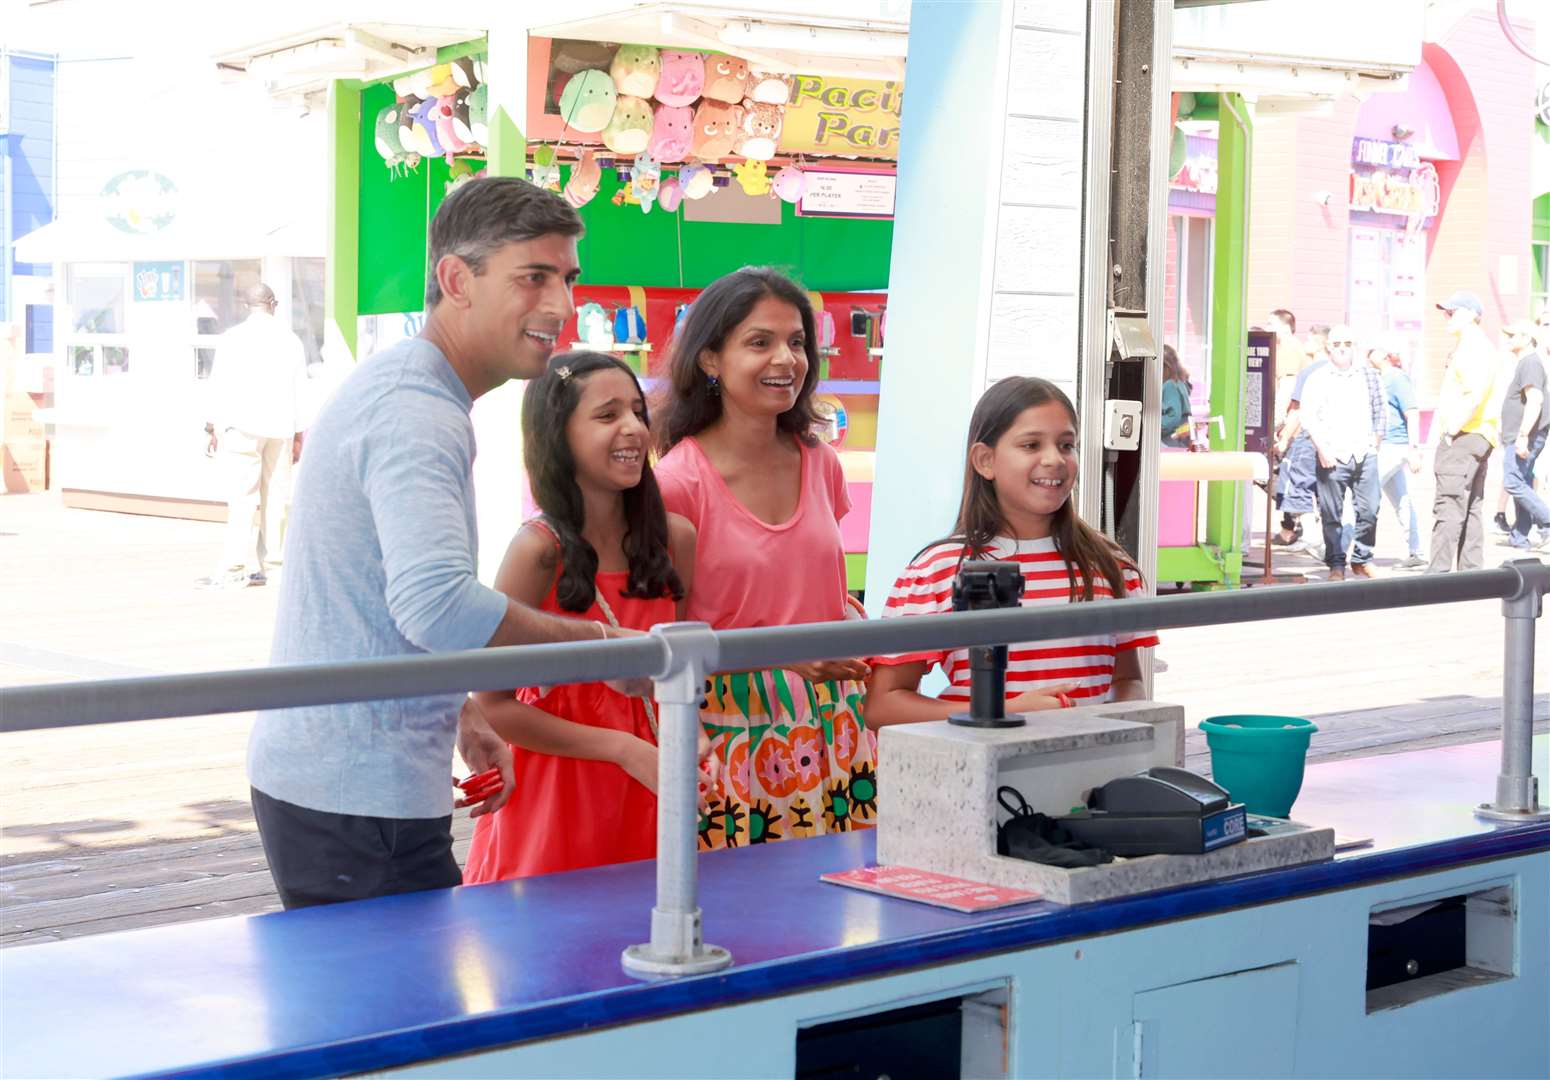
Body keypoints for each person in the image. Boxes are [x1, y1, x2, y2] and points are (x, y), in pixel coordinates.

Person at [247, 177, 629, 910]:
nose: (560, 305)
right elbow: (437, 606)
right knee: (395, 1017)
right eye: (533, 277)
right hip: (356, 796)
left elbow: (376, 597)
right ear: (456, 279)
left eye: (567, 279)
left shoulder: (409, 391)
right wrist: (601, 648)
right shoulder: (418, 410)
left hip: (340, 779)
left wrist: (459, 709)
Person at [654, 267, 876, 849]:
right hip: (730, 739)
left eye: (797, 342)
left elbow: (820, 587)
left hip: (837, 725)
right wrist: (785, 654)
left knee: (839, 906)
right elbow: (662, 646)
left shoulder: (821, 462)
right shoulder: (678, 482)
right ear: (709, 360)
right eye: (760, 342)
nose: (787, 359)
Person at [462, 353, 699, 883]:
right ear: (558, 434)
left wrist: (688, 730)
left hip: (652, 787)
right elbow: (493, 704)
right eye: (607, 414)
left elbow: (677, 674)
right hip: (556, 797)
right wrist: (621, 748)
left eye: (638, 411)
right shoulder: (537, 550)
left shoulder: (675, 539)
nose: (633, 429)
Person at [866, 376, 1156, 725]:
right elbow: (884, 707)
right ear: (984, 460)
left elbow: (1129, 682)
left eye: (1067, 445)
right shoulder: (938, 570)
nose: (1055, 459)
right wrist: (1004, 712)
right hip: (980, 775)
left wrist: (1106, 724)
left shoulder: (1111, 565)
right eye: (1031, 445)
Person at [202, 282, 308, 587]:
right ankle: (274, 567)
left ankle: (235, 568)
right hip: (279, 428)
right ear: (272, 304)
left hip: (241, 427)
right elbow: (300, 389)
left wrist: (213, 427)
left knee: (242, 499)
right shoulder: (290, 340)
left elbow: (218, 384)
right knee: (277, 500)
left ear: (247, 306)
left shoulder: (232, 339)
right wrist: (299, 434)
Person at [1299, 326, 1384, 580]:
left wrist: (1375, 443)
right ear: (1328, 348)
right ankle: (1336, 563)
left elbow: (1380, 410)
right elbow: (1308, 416)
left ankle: (1362, 558)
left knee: (1370, 509)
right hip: (1332, 453)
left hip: (1364, 452)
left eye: (1347, 342)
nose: (1342, 347)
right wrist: (1321, 448)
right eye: (1337, 343)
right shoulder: (1318, 378)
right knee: (1331, 514)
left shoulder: (1368, 375)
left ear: (1354, 345)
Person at [1427, 291, 1499, 573]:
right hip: (1479, 434)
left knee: (1449, 506)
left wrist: (1452, 428)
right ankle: (1470, 574)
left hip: (1465, 435)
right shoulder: (1477, 346)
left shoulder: (1472, 347)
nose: (1447, 317)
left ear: (1470, 315)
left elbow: (1474, 393)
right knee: (1470, 508)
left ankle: (1437, 576)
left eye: (1452, 312)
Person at [1370, 343, 1425, 569]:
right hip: (1388, 445)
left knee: (1364, 492)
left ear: (1384, 353)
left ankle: (1341, 549)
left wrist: (1414, 448)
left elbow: (1411, 412)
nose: (1368, 352)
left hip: (1394, 446)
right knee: (1401, 500)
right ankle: (1416, 551)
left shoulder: (1396, 378)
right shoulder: (1382, 377)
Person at [1497, 319, 1550, 550]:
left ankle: (1546, 522)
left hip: (1525, 435)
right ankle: (1520, 535)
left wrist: (1522, 435)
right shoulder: (1526, 363)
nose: (1508, 339)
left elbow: (1535, 400)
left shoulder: (1530, 363)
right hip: (1522, 435)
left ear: (1527, 339)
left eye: (1513, 335)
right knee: (1522, 481)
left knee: (1513, 481)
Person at [1160, 345, 1192, 448]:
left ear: (1165, 367)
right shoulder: (1180, 383)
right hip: (1181, 442)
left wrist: (1151, 426)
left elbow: (1172, 417)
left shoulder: (1170, 385)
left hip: (1170, 442)